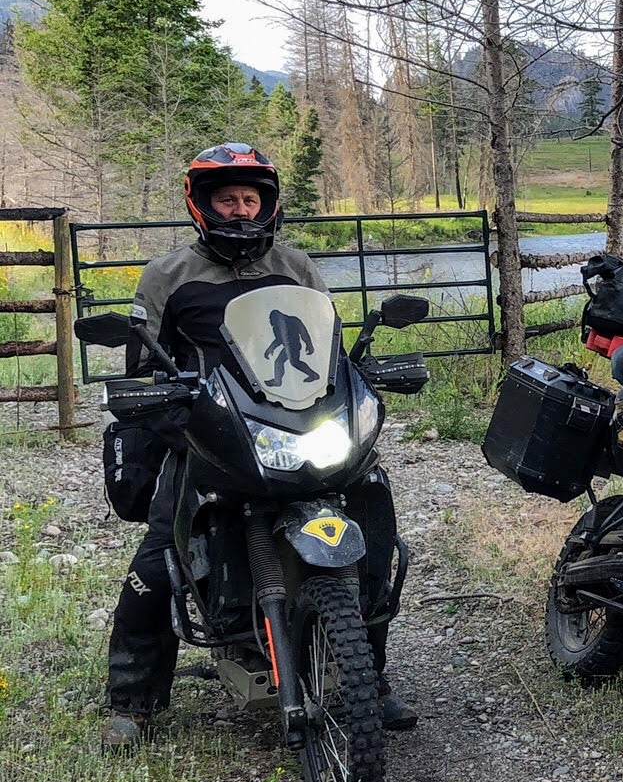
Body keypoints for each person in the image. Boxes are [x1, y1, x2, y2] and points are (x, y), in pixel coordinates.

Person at [101, 142, 418, 750]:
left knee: (372, 531)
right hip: (210, 430)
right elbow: (144, 368)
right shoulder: (169, 275)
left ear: (267, 204)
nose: (242, 210)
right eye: (228, 198)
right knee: (160, 559)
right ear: (202, 204)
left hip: (295, 427)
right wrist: (171, 416)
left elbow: (327, 354)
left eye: (251, 198)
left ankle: (366, 675)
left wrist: (364, 385)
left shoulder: (296, 267)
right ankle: (134, 700)